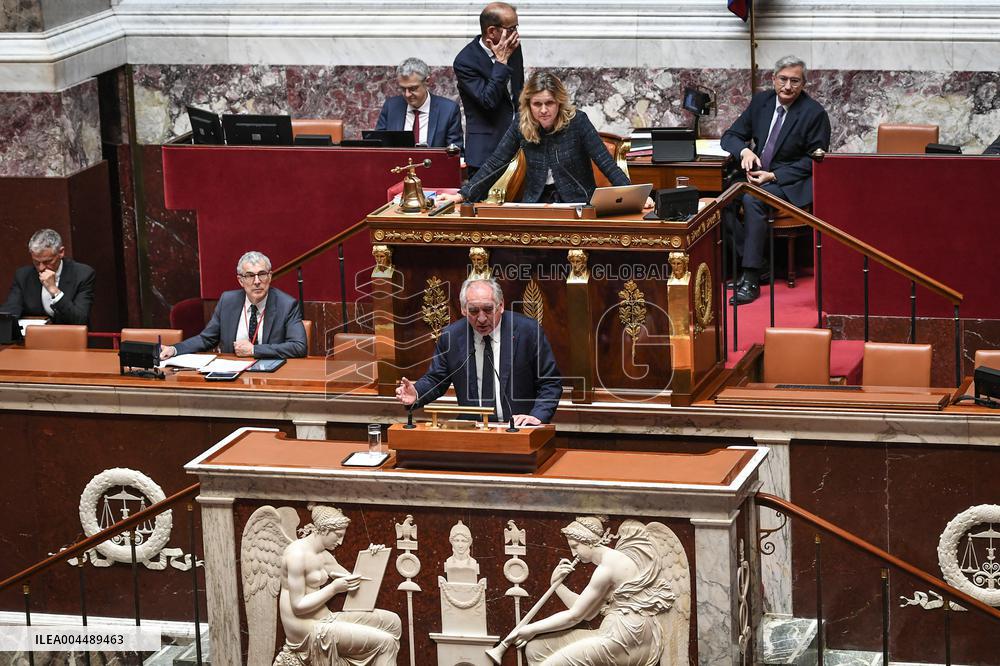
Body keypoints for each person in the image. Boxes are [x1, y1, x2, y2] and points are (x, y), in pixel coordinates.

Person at [437, 72, 647, 206]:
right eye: (537, 104)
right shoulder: (521, 122)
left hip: (578, 203)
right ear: (529, 104)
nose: (544, 110)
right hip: (534, 203)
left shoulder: (578, 121)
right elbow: (497, 162)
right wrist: (463, 195)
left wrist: (636, 197)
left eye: (550, 103)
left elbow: (606, 163)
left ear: (559, 103)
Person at [721, 55, 831, 305]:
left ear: (803, 84)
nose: (788, 86)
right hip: (755, 174)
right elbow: (730, 136)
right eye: (783, 79)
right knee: (722, 202)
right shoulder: (762, 102)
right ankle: (759, 265)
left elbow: (816, 161)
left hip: (788, 181)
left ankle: (749, 278)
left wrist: (774, 175)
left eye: (795, 81)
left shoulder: (814, 113)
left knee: (752, 200)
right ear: (773, 79)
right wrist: (744, 151)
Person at [394, 277, 562, 426]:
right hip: (472, 431)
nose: (481, 318)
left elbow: (550, 382)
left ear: (501, 305)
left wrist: (537, 416)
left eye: (488, 309)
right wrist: (416, 392)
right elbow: (436, 378)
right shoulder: (452, 336)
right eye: (474, 311)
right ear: (463, 309)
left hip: (518, 429)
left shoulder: (527, 331)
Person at [509, 516, 675, 665]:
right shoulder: (610, 562)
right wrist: (558, 585)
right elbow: (588, 613)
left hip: (626, 639)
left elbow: (575, 616)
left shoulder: (606, 568)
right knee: (535, 649)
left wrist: (530, 629)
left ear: (588, 541)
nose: (574, 553)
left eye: (575, 546)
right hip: (616, 631)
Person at [275, 505, 401, 665]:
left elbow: (355, 581)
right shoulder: (296, 555)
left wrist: (373, 557)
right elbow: (298, 606)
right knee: (386, 643)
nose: (341, 542)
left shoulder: (323, 556)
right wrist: (333, 588)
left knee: (392, 622)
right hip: (305, 631)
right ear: (325, 530)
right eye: (338, 535)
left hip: (325, 619)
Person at [160, 250, 307, 360]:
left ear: (270, 276)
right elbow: (206, 339)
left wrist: (255, 350)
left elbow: (299, 347)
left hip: (271, 376)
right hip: (232, 376)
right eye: (250, 276)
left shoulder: (286, 304)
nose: (257, 281)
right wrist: (174, 349)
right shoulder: (228, 301)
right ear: (240, 280)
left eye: (262, 274)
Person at [454, 2, 524, 174]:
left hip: (518, 147)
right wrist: (500, 63)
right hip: (485, 152)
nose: (516, 33)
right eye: (512, 28)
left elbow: (519, 91)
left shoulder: (513, 47)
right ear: (492, 31)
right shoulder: (465, 61)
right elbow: (488, 100)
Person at [1, 228, 95, 325]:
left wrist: (54, 290)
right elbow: (10, 311)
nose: (41, 268)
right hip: (37, 337)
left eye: (47, 262)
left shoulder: (82, 274)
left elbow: (79, 319)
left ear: (61, 252)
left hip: (71, 337)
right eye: (36, 262)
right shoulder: (23, 276)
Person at [375, 57, 463, 150]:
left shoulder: (448, 110)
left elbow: (455, 153)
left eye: (413, 88)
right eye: (403, 89)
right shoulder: (391, 107)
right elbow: (378, 146)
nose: (407, 94)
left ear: (427, 81)